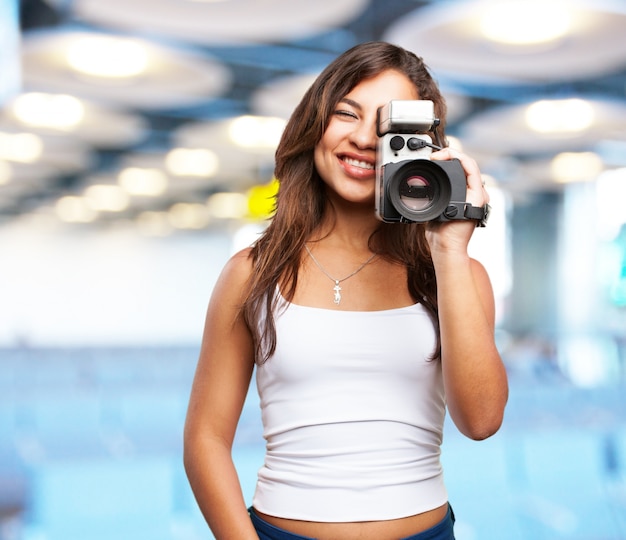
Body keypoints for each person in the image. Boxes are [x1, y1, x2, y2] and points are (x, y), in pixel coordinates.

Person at [183, 41, 509, 540]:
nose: (363, 138)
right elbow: (205, 438)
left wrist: (448, 250)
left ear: (422, 146)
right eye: (345, 113)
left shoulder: (457, 273)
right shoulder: (253, 272)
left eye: (388, 125)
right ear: (314, 124)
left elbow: (482, 421)